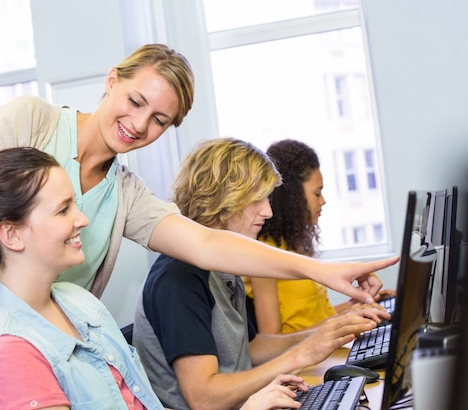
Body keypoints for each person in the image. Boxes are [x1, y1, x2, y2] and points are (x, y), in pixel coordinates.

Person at [0, 44, 397, 410]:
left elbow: (209, 243)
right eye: (136, 101)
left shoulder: (125, 193)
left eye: (160, 120)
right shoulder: (29, 121)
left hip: (21, 349)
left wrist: (325, 272)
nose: (140, 125)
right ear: (111, 80)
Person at [0, 146, 310, 410]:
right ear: (11, 234)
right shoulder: (9, 356)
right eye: (63, 210)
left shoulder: (79, 303)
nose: (83, 219)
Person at [132, 138, 390, 410]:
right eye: (258, 198)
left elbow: (250, 349)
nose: (268, 211)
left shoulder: (225, 267)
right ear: (223, 196)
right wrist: (300, 355)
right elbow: (203, 397)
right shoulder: (178, 279)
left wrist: (321, 334)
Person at [245, 139, 394, 334]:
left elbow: (317, 318)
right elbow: (271, 339)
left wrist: (360, 305)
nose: (322, 201)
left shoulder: (296, 245)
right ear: (293, 197)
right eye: (317, 193)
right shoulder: (265, 254)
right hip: (306, 360)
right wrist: (342, 319)